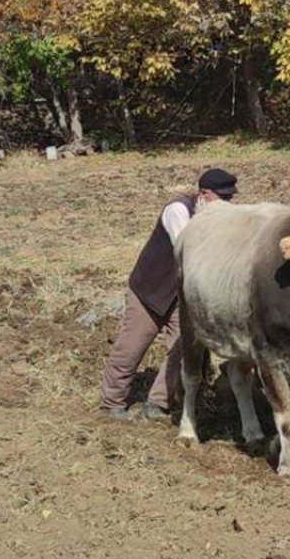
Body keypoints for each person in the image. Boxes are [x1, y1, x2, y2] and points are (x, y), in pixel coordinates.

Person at [99, 168, 238, 420]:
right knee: (132, 346)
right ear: (204, 194)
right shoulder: (178, 210)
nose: (227, 204)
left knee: (182, 349)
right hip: (150, 290)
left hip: (182, 297)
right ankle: (111, 402)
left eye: (230, 199)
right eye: (222, 198)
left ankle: (158, 403)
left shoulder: (219, 216)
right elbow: (187, 251)